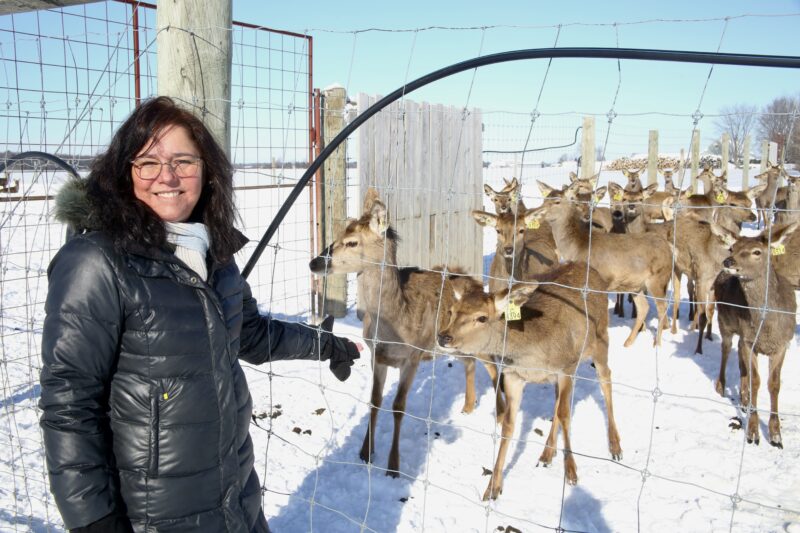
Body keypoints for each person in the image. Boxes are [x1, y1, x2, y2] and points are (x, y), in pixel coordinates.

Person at [39, 96, 360, 533]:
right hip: (152, 514)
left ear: (207, 170)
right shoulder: (97, 261)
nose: (167, 176)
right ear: (123, 172)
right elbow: (69, 403)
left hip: (235, 498)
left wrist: (328, 344)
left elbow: (249, 333)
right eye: (147, 162)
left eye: (183, 161)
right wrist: (93, 521)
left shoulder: (214, 252)